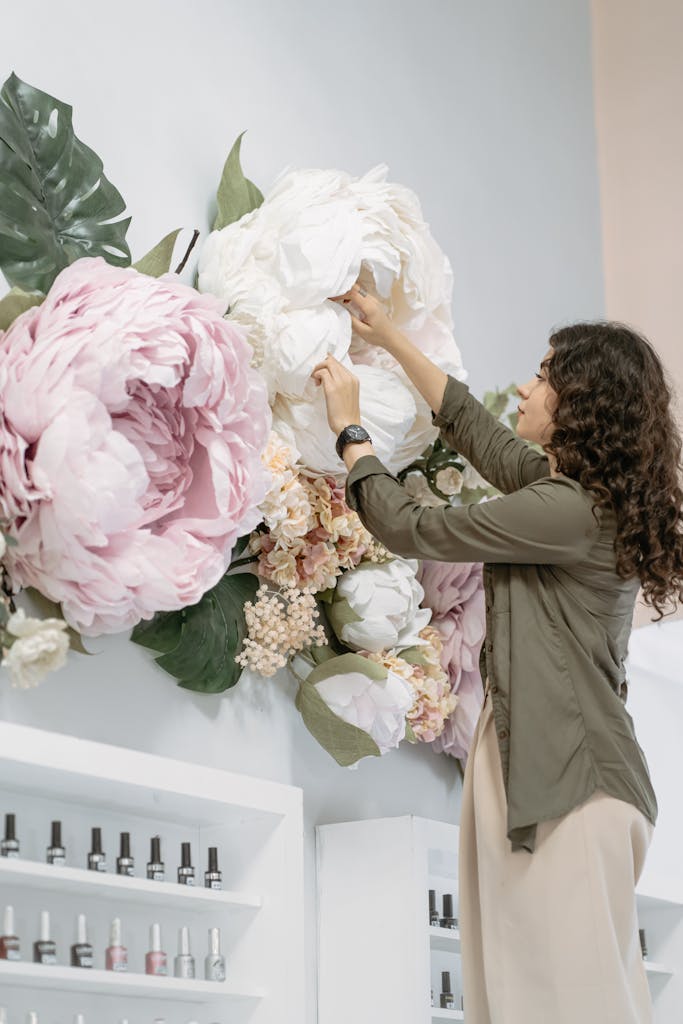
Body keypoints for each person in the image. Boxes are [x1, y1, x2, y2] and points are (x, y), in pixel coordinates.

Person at [311, 282, 683, 1024]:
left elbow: (414, 529)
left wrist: (351, 433)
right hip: (547, 769)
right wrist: (385, 333)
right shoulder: (570, 498)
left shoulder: (567, 512)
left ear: (579, 404)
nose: (525, 387)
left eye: (542, 376)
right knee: (518, 1000)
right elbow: (478, 431)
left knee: (565, 1007)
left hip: (569, 781)